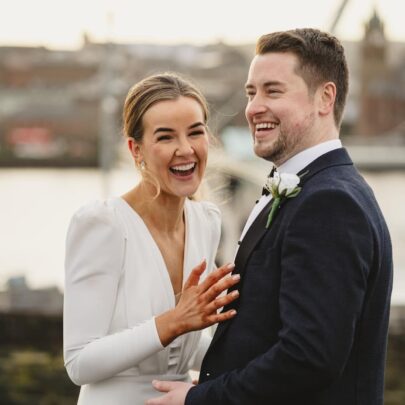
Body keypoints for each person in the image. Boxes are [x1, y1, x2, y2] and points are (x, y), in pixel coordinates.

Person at [147, 29, 393, 405]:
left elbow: (308, 356)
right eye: (251, 92)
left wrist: (202, 400)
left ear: (325, 98)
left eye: (273, 91)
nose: (254, 107)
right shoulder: (315, 188)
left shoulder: (329, 203)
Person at [63, 73, 241, 405]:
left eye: (195, 132)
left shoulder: (207, 222)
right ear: (136, 149)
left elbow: (180, 354)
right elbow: (79, 362)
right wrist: (173, 321)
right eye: (165, 137)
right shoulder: (102, 224)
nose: (185, 149)